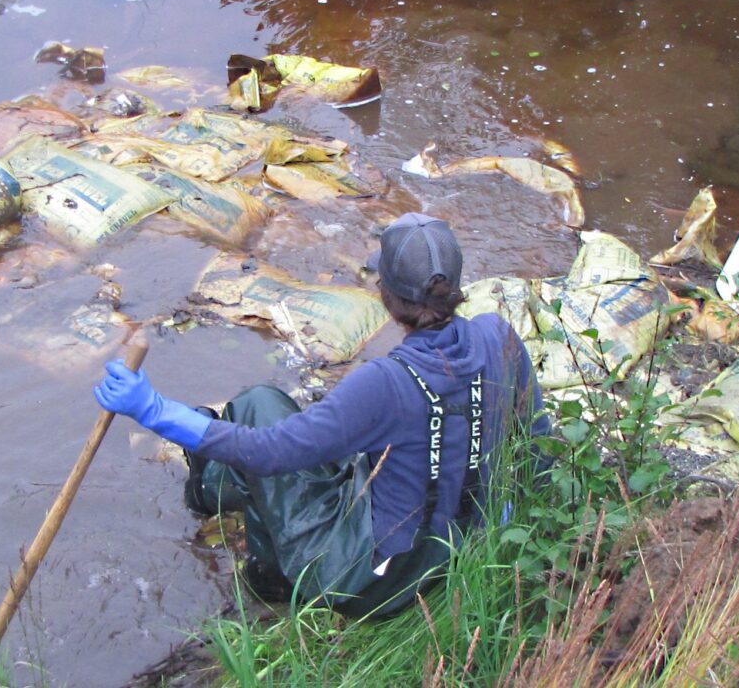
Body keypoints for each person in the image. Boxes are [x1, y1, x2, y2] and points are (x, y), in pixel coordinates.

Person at [93, 213, 544, 617]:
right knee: (327, 446)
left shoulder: (384, 382)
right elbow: (538, 439)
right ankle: (207, 477)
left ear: (385, 297)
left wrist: (153, 410)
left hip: (377, 583)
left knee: (258, 407)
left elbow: (269, 453)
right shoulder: (497, 335)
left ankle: (269, 584)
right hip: (465, 548)